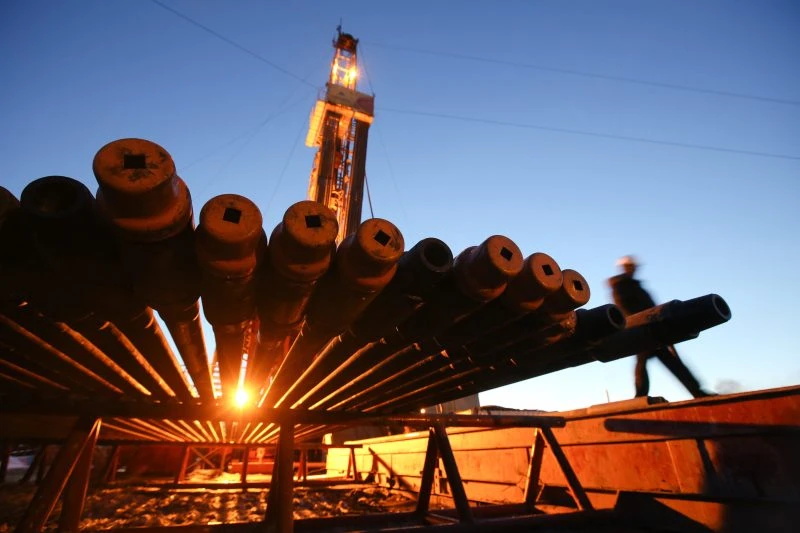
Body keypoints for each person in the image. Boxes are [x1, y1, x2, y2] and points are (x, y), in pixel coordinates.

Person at [608, 255, 713, 398]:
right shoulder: (620, 286)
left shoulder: (635, 285)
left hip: (654, 327)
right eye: (631, 267)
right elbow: (625, 308)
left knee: (668, 362)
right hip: (641, 330)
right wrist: (642, 322)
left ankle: (696, 391)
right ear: (625, 267)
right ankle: (641, 395)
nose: (633, 269)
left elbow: (651, 306)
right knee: (645, 361)